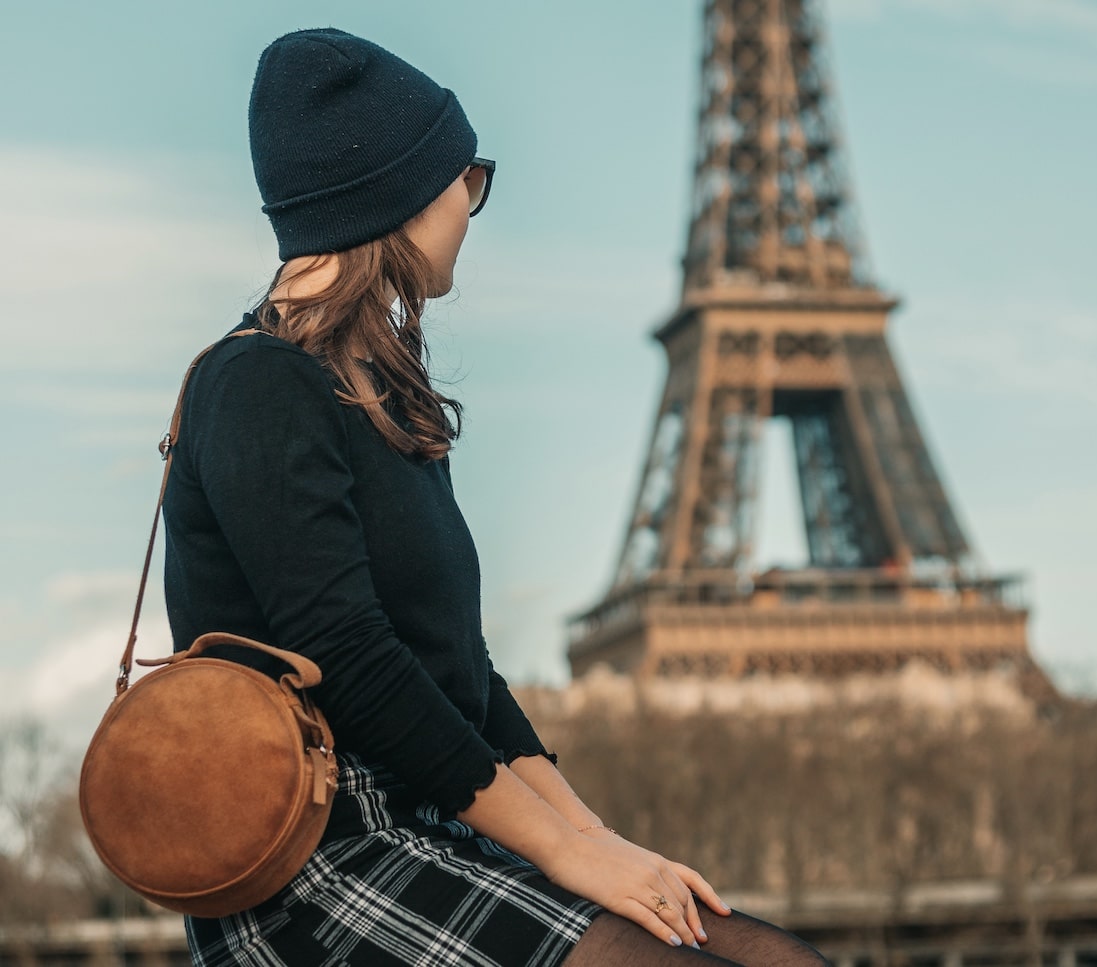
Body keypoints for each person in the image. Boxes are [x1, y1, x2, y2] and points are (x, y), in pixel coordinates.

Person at [163, 26, 831, 967]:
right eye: (465, 177)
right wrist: (562, 848)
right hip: (320, 852)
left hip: (444, 810)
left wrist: (599, 840)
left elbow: (459, 671)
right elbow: (355, 662)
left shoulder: (383, 392)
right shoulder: (258, 386)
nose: (473, 203)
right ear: (397, 193)